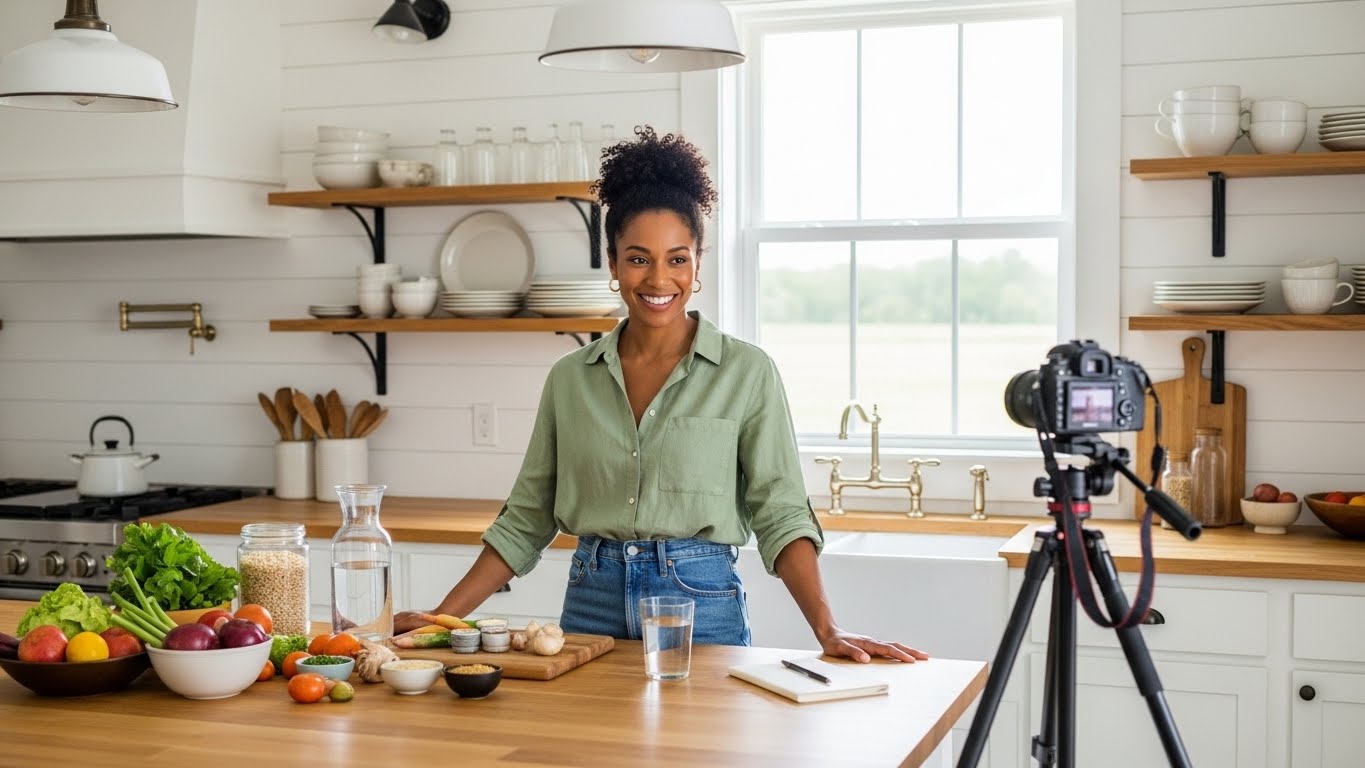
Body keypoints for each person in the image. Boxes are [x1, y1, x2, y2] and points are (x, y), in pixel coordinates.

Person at [395, 126, 926, 664]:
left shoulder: (746, 373)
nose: (658, 278)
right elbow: (527, 518)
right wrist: (441, 622)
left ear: (698, 263)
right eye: (638, 257)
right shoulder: (570, 379)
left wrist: (828, 630)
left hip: (700, 606)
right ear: (613, 263)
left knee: (697, 751)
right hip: (589, 607)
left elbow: (781, 514)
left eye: (677, 258)